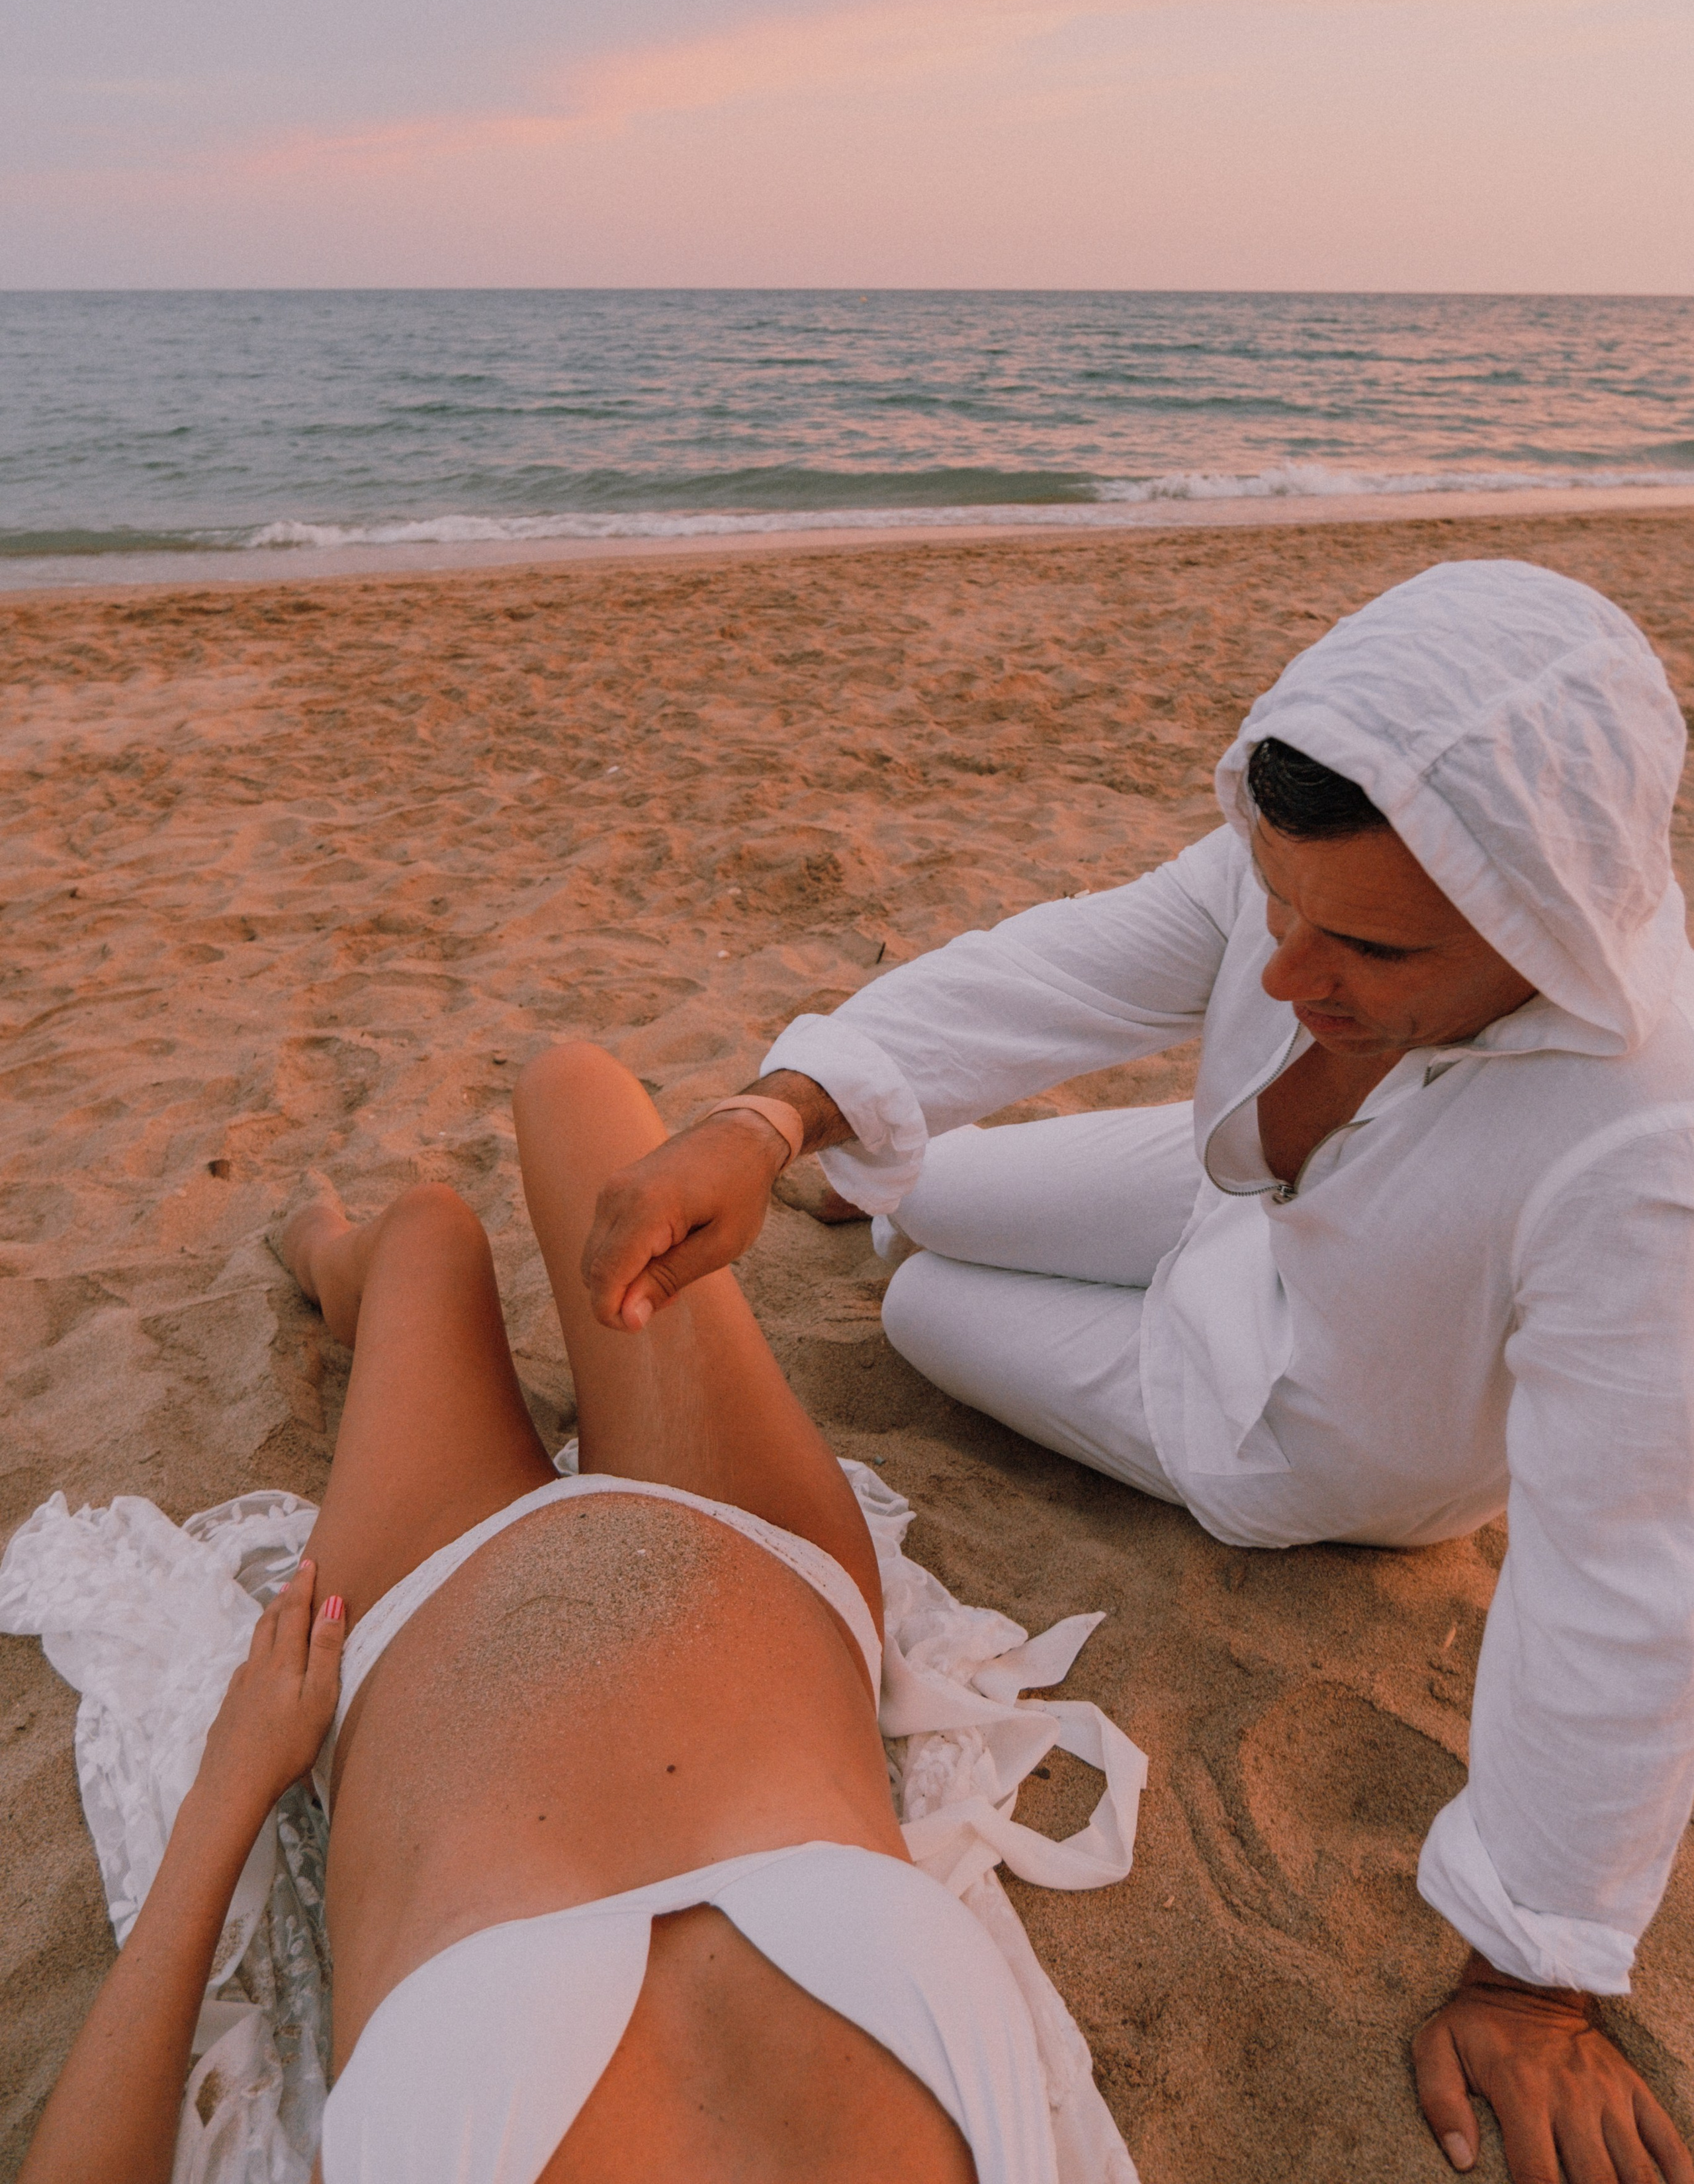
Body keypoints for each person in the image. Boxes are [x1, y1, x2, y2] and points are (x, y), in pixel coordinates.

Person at [582, 558, 1694, 2184]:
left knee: (917, 1309)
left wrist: (1531, 1975)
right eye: (1279, 908)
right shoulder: (1327, 873)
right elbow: (1061, 965)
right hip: (1237, 1196)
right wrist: (774, 1112)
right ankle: (873, 1184)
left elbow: (1619, 1576)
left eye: (1362, 954)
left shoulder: (1643, 1157)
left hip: (1296, 1428)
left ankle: (898, 1230)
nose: (1279, 977)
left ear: (1533, 919)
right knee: (922, 1176)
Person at [19, 1043, 1098, 2184]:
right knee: (577, 1092)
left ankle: (332, 1261)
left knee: (430, 1234)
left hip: (414, 1613)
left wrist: (232, 1787)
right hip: (758, 1552)